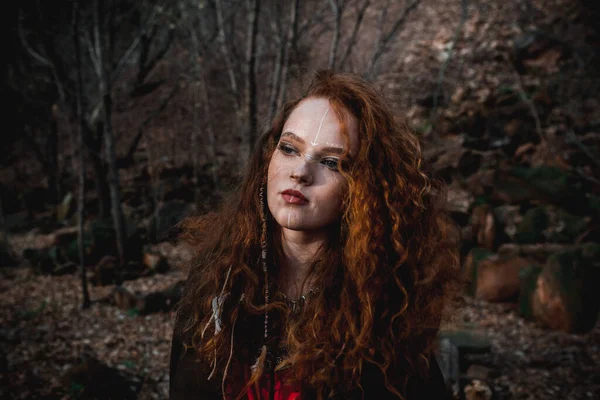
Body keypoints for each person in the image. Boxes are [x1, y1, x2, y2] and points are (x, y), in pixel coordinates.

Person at [170, 70, 460, 400]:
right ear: (269, 156)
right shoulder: (217, 276)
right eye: (289, 148)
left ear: (363, 188)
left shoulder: (386, 306)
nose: (301, 172)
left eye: (331, 162)